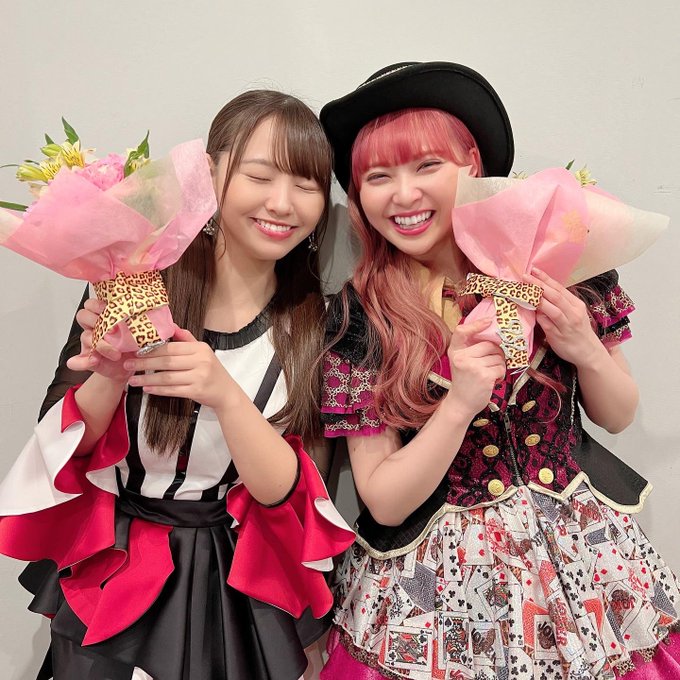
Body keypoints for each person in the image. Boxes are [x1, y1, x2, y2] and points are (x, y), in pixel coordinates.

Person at [317, 61, 680, 679]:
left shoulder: (559, 262)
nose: (403, 195)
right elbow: (382, 500)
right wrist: (458, 405)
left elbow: (618, 415)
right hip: (435, 594)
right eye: (378, 176)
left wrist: (585, 346)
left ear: (472, 164)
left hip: (585, 567)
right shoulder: (361, 316)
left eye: (427, 165)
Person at [0, 90, 354, 680]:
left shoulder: (320, 325)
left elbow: (292, 497)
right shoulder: (135, 278)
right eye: (259, 176)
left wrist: (225, 396)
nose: (282, 202)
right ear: (210, 174)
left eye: (306, 185)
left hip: (231, 584)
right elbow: (60, 449)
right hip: (114, 568)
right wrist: (109, 375)